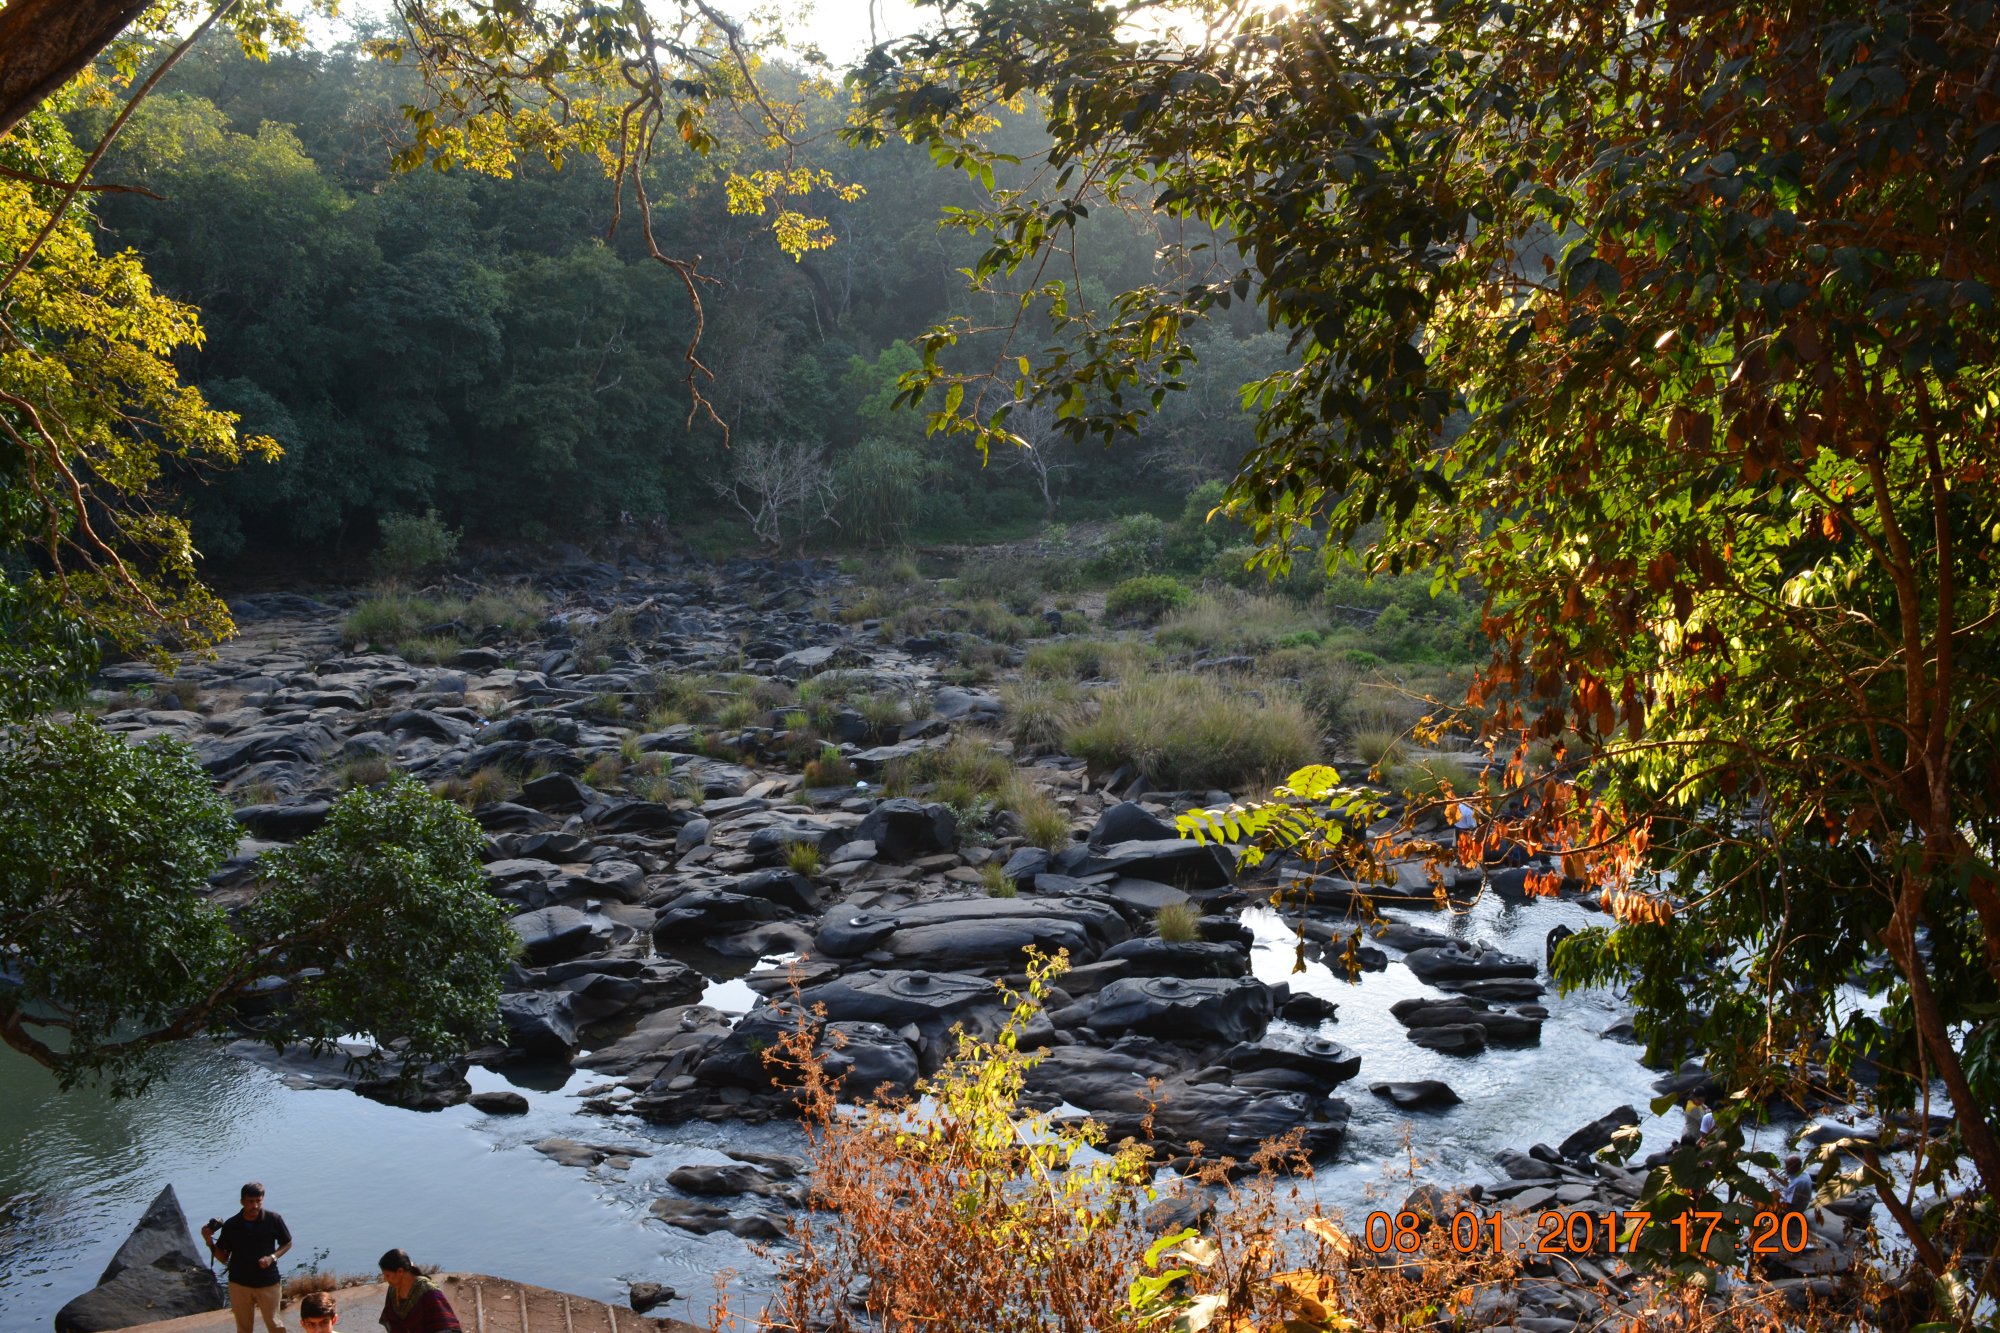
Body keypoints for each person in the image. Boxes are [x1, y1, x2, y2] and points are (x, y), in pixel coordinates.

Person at [202, 1182, 292, 1333]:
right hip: (239, 1284)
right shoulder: (231, 1225)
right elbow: (223, 1258)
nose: (255, 1206)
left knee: (275, 1325)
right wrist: (209, 1242)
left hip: (268, 1282)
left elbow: (287, 1243)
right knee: (243, 1328)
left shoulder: (273, 1219)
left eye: (258, 1201)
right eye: (250, 1201)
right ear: (242, 1201)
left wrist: (272, 1257)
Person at [377, 1249, 462, 1333]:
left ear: (400, 1271)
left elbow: (444, 1326)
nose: (385, 1279)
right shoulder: (393, 1290)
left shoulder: (428, 1291)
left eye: (387, 1275)